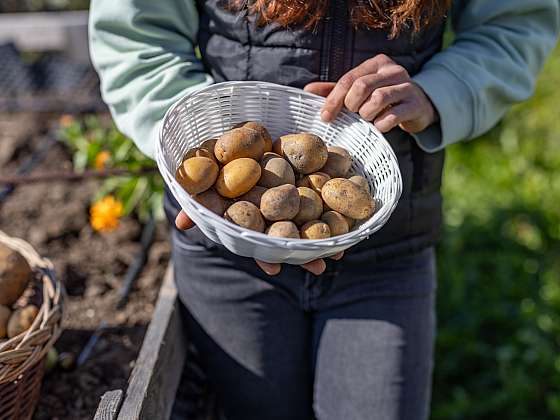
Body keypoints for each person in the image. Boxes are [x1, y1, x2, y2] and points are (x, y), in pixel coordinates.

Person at [89, 1, 559, 419]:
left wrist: (437, 92)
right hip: (227, 256)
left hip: (387, 252)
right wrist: (193, 154)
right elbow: (136, 37)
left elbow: (515, 26)